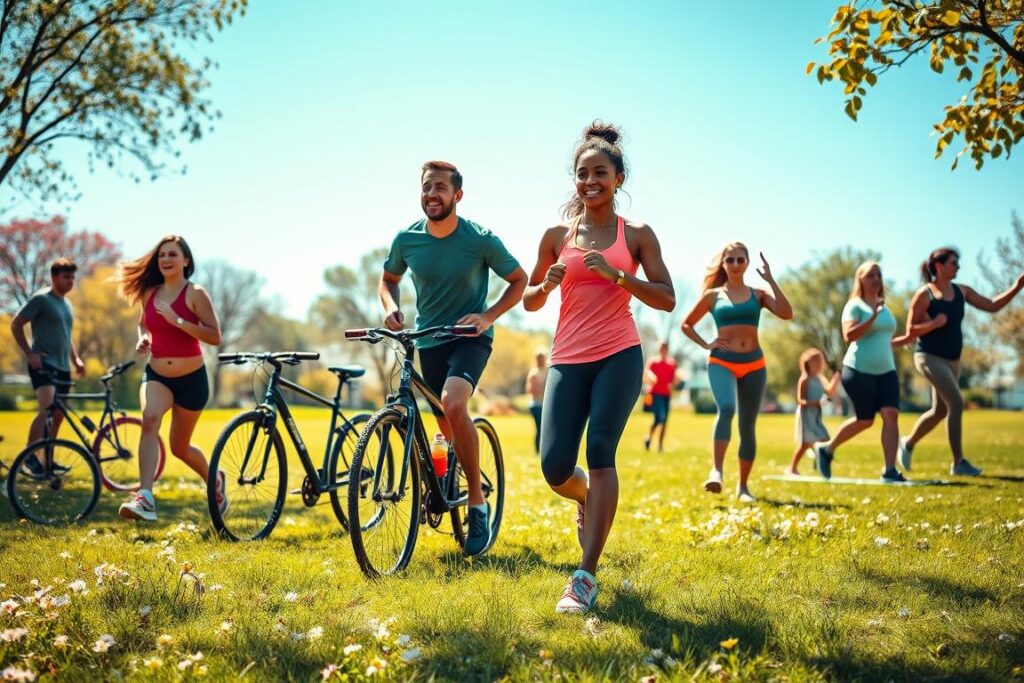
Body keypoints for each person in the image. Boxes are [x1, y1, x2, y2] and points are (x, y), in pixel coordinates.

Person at [523, 122, 675, 614]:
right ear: (575, 180)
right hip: (568, 357)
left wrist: (620, 275)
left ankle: (584, 575)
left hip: (618, 353)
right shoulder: (555, 236)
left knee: (602, 449)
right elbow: (527, 301)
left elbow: (667, 298)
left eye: (600, 173)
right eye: (582, 174)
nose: (591, 181)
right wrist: (544, 286)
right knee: (553, 466)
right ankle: (586, 497)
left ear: (618, 178)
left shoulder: (638, 235)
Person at [380, 160, 528, 556]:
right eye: (427, 186)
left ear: (457, 195)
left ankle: (477, 503)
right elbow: (388, 280)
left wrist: (488, 315)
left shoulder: (479, 239)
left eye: (441, 187)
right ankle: (445, 484)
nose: (432, 194)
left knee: (453, 403)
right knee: (443, 425)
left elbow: (519, 280)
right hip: (427, 341)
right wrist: (389, 307)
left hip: (469, 338)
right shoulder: (407, 239)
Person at [115, 235, 224, 522]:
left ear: (185, 260)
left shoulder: (195, 293)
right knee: (150, 419)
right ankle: (145, 496)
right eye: (162, 254)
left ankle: (215, 479)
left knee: (179, 448)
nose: (165, 259)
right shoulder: (149, 292)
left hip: (192, 379)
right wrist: (144, 340)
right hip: (157, 373)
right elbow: (144, 324)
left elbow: (214, 336)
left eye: (172, 254)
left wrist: (178, 321)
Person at [681, 242, 793, 503]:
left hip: (754, 365)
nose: (734, 265)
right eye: (729, 260)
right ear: (723, 264)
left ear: (747, 262)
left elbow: (787, 314)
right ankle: (716, 471)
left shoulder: (759, 294)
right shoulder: (713, 296)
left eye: (740, 260)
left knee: (747, 425)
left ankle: (743, 488)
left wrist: (771, 280)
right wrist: (706, 344)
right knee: (728, 408)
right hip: (722, 362)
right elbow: (686, 324)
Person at [900, 247, 1024, 476]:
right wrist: (933, 324)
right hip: (928, 356)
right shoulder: (924, 295)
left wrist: (1017, 287)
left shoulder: (962, 291)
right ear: (939, 266)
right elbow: (910, 329)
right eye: (953, 263)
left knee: (939, 411)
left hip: (952, 360)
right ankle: (958, 463)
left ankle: (907, 443)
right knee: (956, 402)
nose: (957, 267)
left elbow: (992, 305)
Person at [814, 261, 915, 482]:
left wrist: (906, 339)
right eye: (870, 275)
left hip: (887, 370)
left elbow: (884, 340)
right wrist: (872, 317)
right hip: (858, 370)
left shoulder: (884, 308)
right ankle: (827, 449)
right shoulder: (855, 306)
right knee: (865, 420)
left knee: (891, 415)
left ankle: (889, 470)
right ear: (860, 279)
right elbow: (849, 335)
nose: (876, 279)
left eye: (879, 275)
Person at [10, 258, 86, 476]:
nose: (71, 281)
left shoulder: (66, 304)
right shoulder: (41, 299)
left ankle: (47, 462)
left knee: (58, 416)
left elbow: (66, 335)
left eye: (73, 277)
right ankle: (29, 457)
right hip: (43, 363)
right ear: (54, 277)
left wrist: (76, 359)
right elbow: (16, 323)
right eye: (66, 277)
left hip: (63, 367)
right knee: (48, 408)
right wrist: (29, 352)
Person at [785, 348, 840, 476]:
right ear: (807, 363)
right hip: (806, 416)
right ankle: (792, 468)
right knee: (805, 444)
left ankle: (818, 457)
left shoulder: (820, 379)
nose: (818, 363)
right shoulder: (804, 379)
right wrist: (815, 403)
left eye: (819, 360)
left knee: (825, 438)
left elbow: (829, 392)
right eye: (814, 360)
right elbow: (800, 400)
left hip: (816, 415)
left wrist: (836, 379)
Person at [643, 341, 678, 453]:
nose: (663, 350)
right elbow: (646, 374)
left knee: (664, 421)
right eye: (662, 348)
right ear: (659, 349)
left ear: (667, 350)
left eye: (665, 348)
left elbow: (674, 380)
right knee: (659, 418)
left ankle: (660, 446)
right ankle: (649, 437)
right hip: (655, 394)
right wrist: (651, 376)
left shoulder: (672, 363)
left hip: (666, 395)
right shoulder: (653, 362)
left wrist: (675, 383)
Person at [525, 349, 548, 454]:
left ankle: (545, 450)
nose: (541, 360)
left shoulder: (548, 371)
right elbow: (530, 390)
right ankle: (538, 450)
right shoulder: (533, 373)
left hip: (546, 404)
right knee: (540, 427)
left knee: (546, 428)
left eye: (542, 358)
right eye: (539, 358)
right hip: (536, 405)